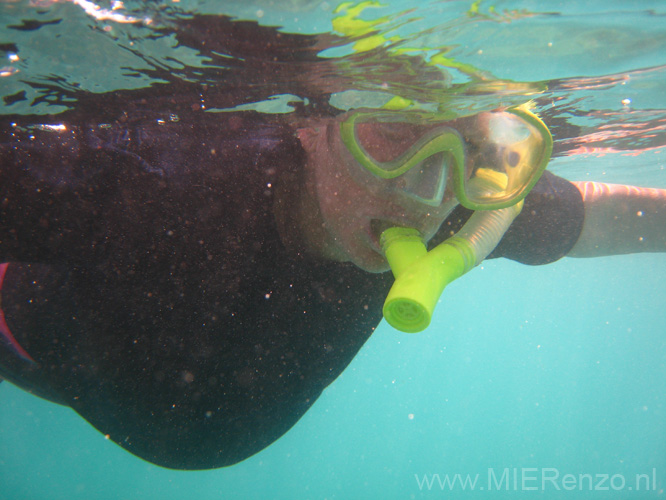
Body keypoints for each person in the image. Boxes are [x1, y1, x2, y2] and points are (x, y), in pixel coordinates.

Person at [1, 14, 665, 471]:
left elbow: (597, 217)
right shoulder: (160, 175)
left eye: (465, 148)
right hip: (22, 333)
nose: (428, 194)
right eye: (395, 132)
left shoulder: (468, 205)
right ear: (313, 124)